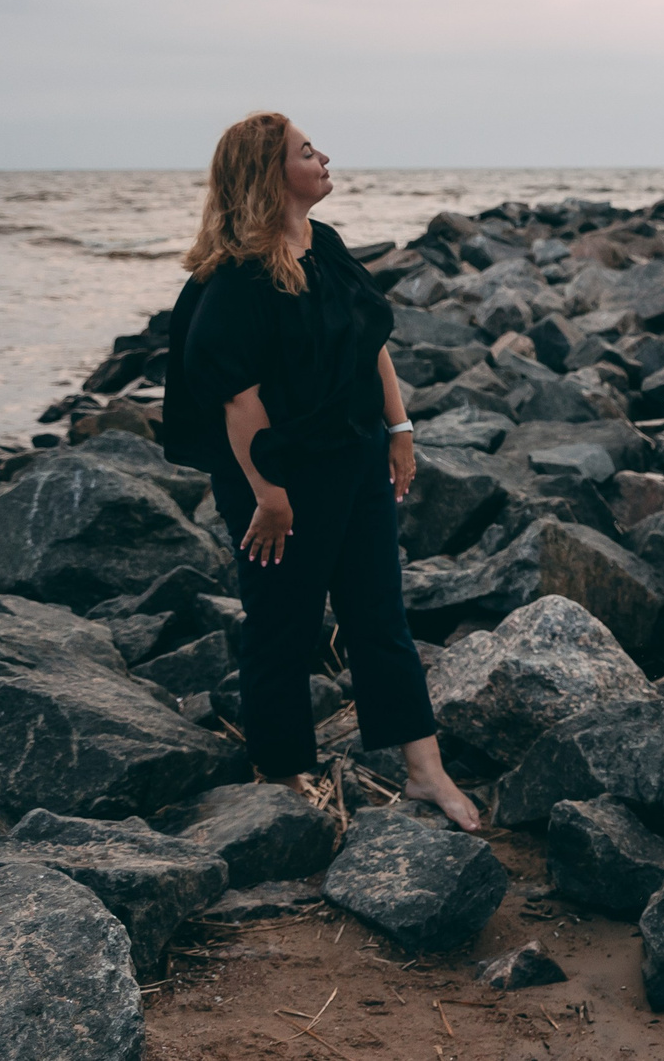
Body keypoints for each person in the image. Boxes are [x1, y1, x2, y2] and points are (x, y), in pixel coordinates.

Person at [161, 111, 479, 830]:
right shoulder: (236, 279)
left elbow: (372, 343)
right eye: (308, 151)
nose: (324, 156)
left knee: (380, 617)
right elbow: (236, 401)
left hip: (357, 457)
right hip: (280, 481)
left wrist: (399, 430)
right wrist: (267, 496)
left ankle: (426, 772)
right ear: (271, 176)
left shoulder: (326, 247)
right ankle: (285, 772)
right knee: (283, 624)